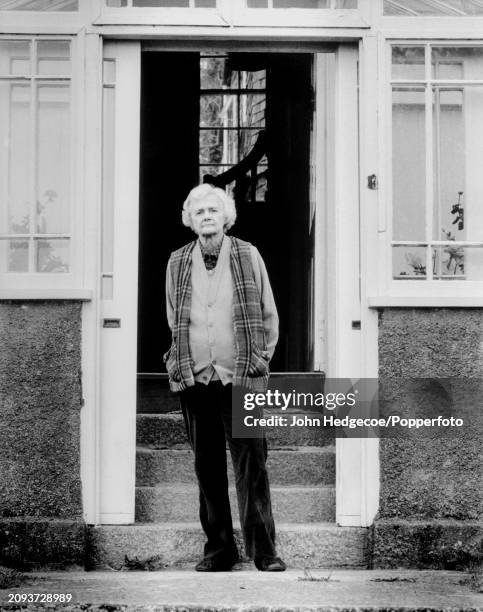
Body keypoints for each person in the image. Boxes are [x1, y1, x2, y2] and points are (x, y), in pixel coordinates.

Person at [164, 183, 286, 573]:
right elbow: (173, 316)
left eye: (213, 210)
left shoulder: (249, 256)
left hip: (242, 378)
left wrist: (258, 360)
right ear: (190, 220)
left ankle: (264, 551)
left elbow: (268, 315)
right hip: (197, 378)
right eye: (198, 212)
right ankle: (218, 549)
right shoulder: (177, 261)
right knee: (207, 466)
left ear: (226, 216)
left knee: (252, 465)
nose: (206, 217)